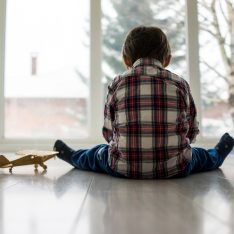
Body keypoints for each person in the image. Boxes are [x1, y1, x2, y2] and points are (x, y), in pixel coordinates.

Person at [53, 26, 234, 179]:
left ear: (126, 60)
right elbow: (192, 133)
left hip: (123, 168)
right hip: (175, 168)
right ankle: (219, 152)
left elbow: (108, 134)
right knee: (202, 156)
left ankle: (71, 155)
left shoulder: (117, 83)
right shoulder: (180, 84)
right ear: (167, 59)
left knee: (94, 154)